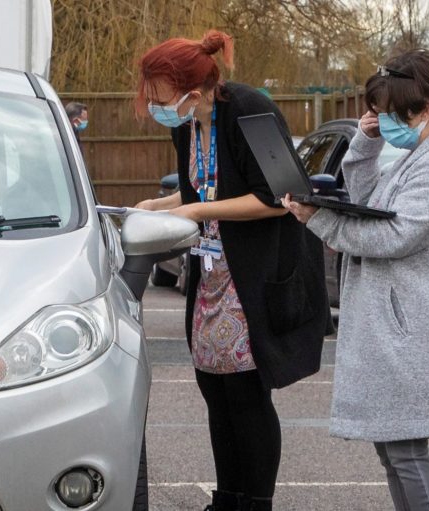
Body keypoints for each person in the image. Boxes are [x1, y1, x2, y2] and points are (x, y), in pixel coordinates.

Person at [283, 49, 429, 511]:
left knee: (405, 451)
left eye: (388, 113)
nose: (381, 120)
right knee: (394, 449)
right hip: (404, 326)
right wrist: (366, 145)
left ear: (425, 109)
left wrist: (317, 221)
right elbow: (371, 201)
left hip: (419, 333)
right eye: (377, 112)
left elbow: (395, 234)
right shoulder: (422, 153)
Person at [133, 30, 330, 511]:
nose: (156, 108)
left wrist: (196, 214)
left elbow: (279, 198)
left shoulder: (249, 110)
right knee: (214, 388)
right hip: (212, 275)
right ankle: (227, 499)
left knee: (246, 392)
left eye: (160, 98)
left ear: (193, 93)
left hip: (256, 277)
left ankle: (254, 501)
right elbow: (201, 189)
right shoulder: (185, 124)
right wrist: (159, 205)